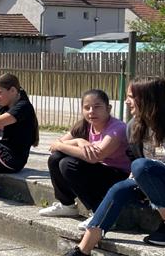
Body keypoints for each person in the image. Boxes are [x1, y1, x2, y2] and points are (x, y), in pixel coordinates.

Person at [53, 78, 165, 256]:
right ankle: (83, 252)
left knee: (141, 166)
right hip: (153, 187)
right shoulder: (134, 126)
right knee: (120, 188)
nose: (127, 101)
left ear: (148, 98)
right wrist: (142, 174)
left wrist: (151, 170)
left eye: (131, 97)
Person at [39, 89, 130, 220]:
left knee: (68, 164)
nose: (91, 111)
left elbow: (95, 157)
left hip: (119, 176)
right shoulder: (84, 125)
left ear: (108, 108)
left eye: (97, 107)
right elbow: (55, 146)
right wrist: (78, 141)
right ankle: (67, 205)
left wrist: (61, 145)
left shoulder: (117, 128)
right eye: (87, 108)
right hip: (99, 172)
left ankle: (99, 212)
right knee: (56, 158)